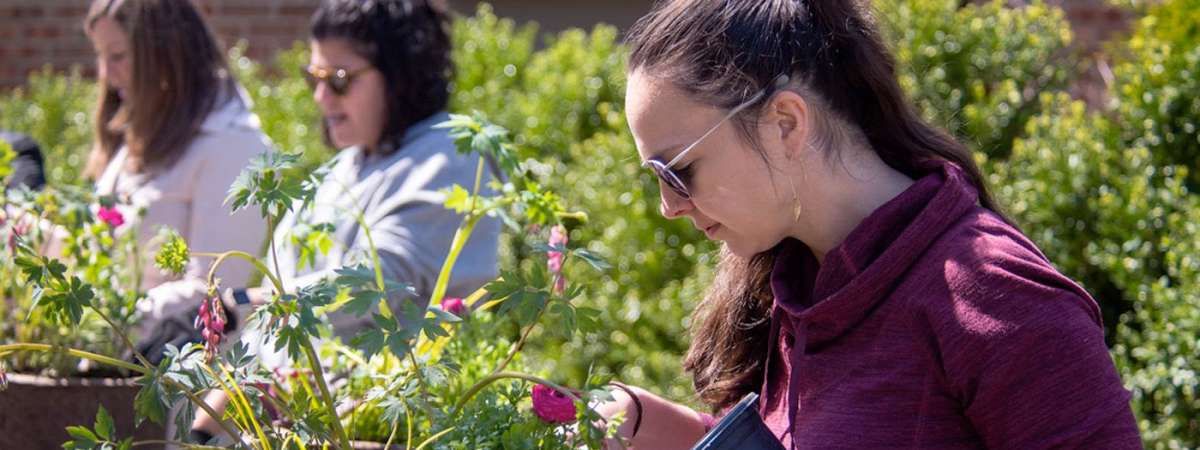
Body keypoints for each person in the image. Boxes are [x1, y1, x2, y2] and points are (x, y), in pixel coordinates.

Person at [597, 1, 1143, 448]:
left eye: (676, 170)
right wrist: (641, 424)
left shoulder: (999, 298)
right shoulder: (793, 279)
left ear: (784, 124)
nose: (669, 205)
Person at [188, 0, 500, 443]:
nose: (320, 97)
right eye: (313, 79)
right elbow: (275, 326)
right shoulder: (340, 170)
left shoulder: (448, 154)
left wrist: (251, 298)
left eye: (339, 80)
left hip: (390, 424)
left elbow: (385, 281)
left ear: (401, 76)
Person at [83, 0, 269, 362]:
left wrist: (112, 319)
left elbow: (217, 291)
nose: (106, 72)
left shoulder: (233, 145)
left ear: (166, 54)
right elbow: (98, 251)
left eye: (118, 55)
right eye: (100, 56)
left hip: (180, 381)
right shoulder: (145, 133)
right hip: (113, 361)